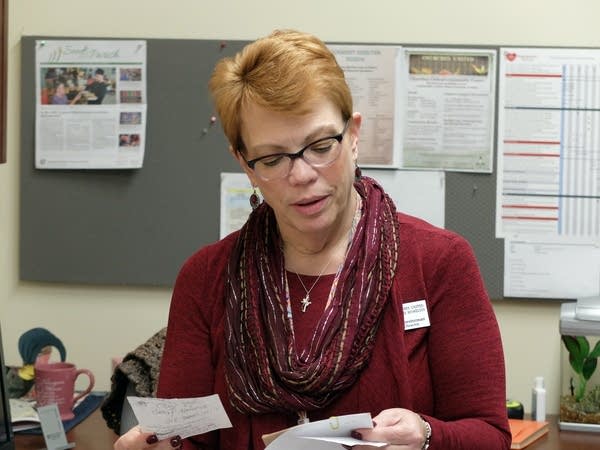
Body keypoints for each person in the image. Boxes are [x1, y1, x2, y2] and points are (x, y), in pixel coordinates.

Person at [114, 30, 511, 450]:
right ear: (245, 165)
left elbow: (490, 435)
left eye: (321, 146)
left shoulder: (438, 262)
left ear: (354, 135)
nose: (301, 175)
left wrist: (429, 437)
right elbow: (188, 439)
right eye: (271, 159)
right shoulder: (207, 279)